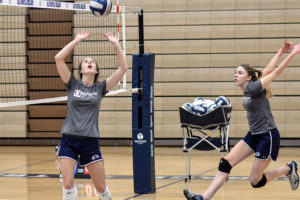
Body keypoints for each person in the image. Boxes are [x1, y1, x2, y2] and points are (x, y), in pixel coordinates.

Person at [184, 40, 300, 200]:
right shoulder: (250, 87)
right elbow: (267, 70)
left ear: (248, 77)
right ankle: (204, 197)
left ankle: (288, 168)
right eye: (235, 72)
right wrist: (281, 51)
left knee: (255, 181)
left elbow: (276, 73)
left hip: (267, 136)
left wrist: (293, 54)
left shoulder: (252, 88)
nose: (235, 75)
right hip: (253, 135)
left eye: (239, 72)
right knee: (225, 163)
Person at [55, 29, 128, 200]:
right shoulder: (72, 84)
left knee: (101, 188)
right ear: (80, 69)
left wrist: (116, 45)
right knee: (67, 184)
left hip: (90, 141)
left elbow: (123, 68)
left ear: (96, 71)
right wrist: (76, 40)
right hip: (69, 139)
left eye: (92, 62)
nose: (89, 62)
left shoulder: (100, 88)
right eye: (86, 61)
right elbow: (58, 58)